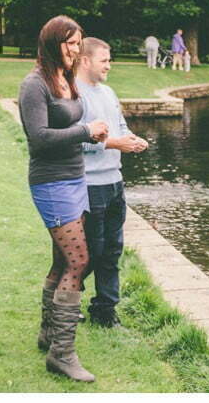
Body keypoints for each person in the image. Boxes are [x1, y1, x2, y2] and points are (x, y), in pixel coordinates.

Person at [17, 15, 109, 383]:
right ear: (53, 43)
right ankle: (62, 354)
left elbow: (69, 127)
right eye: (70, 43)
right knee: (79, 260)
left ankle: (48, 334)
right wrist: (85, 130)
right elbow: (39, 138)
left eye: (78, 43)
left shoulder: (66, 78)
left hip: (74, 178)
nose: (75, 49)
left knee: (61, 260)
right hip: (51, 183)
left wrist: (92, 134)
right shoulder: (34, 84)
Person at [75, 38, 148, 328]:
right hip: (89, 186)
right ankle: (65, 299)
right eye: (104, 60)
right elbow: (75, 141)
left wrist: (132, 139)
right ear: (85, 61)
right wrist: (116, 144)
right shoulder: (73, 96)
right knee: (90, 252)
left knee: (112, 250)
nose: (109, 65)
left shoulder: (108, 92)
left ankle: (105, 311)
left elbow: (120, 127)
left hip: (115, 182)